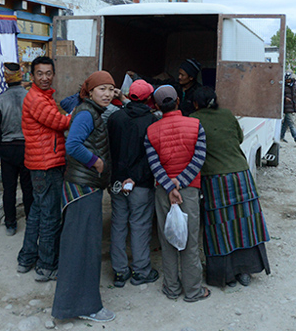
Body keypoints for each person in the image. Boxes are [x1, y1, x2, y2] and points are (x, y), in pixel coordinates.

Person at [52, 71, 117, 323]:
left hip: (85, 187)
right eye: (102, 89)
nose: (108, 94)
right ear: (89, 91)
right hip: (83, 189)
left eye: (111, 89)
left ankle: (74, 303)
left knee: (80, 248)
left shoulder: (90, 111)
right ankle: (85, 306)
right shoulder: (87, 113)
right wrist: (97, 162)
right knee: (84, 249)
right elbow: (73, 145)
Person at [190, 86, 271, 288]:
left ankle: (226, 276)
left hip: (215, 179)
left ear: (195, 103)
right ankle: (245, 271)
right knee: (245, 224)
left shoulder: (193, 119)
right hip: (240, 175)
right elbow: (240, 138)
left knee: (220, 226)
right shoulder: (227, 114)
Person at [145, 85, 210, 303]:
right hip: (189, 190)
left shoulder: (151, 131)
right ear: (178, 101)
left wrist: (169, 186)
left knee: (168, 238)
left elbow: (154, 165)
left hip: (163, 191)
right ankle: (193, 291)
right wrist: (180, 183)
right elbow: (199, 158)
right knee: (190, 240)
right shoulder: (195, 125)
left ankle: (171, 288)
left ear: (156, 106)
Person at [18, 56, 71, 281]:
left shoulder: (42, 97)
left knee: (38, 213)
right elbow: (59, 123)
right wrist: (79, 113)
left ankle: (26, 258)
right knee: (50, 217)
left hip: (40, 163)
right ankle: (46, 266)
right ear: (32, 76)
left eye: (48, 73)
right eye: (40, 73)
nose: (45, 78)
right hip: (46, 164)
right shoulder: (37, 99)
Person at [106, 80, 160, 288]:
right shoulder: (152, 122)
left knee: (118, 225)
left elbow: (109, 149)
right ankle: (141, 270)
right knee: (140, 225)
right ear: (148, 98)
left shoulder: (115, 118)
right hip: (141, 184)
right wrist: (136, 177)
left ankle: (120, 272)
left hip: (117, 182)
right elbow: (151, 156)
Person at [0, 63, 31, 236]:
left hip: (7, 149)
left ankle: (10, 224)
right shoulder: (30, 98)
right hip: (28, 148)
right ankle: (31, 220)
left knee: (9, 188)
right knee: (29, 188)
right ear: (21, 77)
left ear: (6, 80)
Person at [281, 73, 296, 145]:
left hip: (292, 106)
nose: (288, 81)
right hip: (287, 107)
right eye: (287, 79)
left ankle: (280, 137)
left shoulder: (293, 85)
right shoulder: (283, 86)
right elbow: (280, 95)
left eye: (289, 79)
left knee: (285, 124)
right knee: (291, 124)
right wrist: (285, 98)